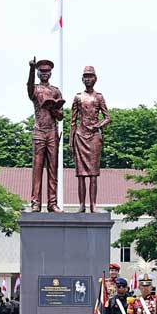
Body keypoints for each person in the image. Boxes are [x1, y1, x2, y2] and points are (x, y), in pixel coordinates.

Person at [71, 65, 111, 212]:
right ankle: (82, 204)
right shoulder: (78, 97)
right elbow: (73, 121)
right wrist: (70, 143)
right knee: (81, 174)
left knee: (93, 174)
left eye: (90, 76)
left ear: (95, 78)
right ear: (82, 79)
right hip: (80, 137)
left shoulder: (99, 97)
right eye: (86, 76)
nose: (88, 79)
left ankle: (93, 204)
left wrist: (98, 126)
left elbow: (108, 117)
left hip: (94, 137)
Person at [27, 57, 64, 212]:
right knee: (37, 168)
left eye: (47, 71)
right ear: (37, 73)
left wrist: (54, 109)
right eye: (41, 71)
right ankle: (35, 202)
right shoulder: (35, 89)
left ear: (50, 73)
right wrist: (30, 69)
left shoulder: (55, 91)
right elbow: (29, 88)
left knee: (52, 168)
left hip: (52, 132)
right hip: (39, 131)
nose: (44, 73)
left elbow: (61, 116)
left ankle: (52, 202)